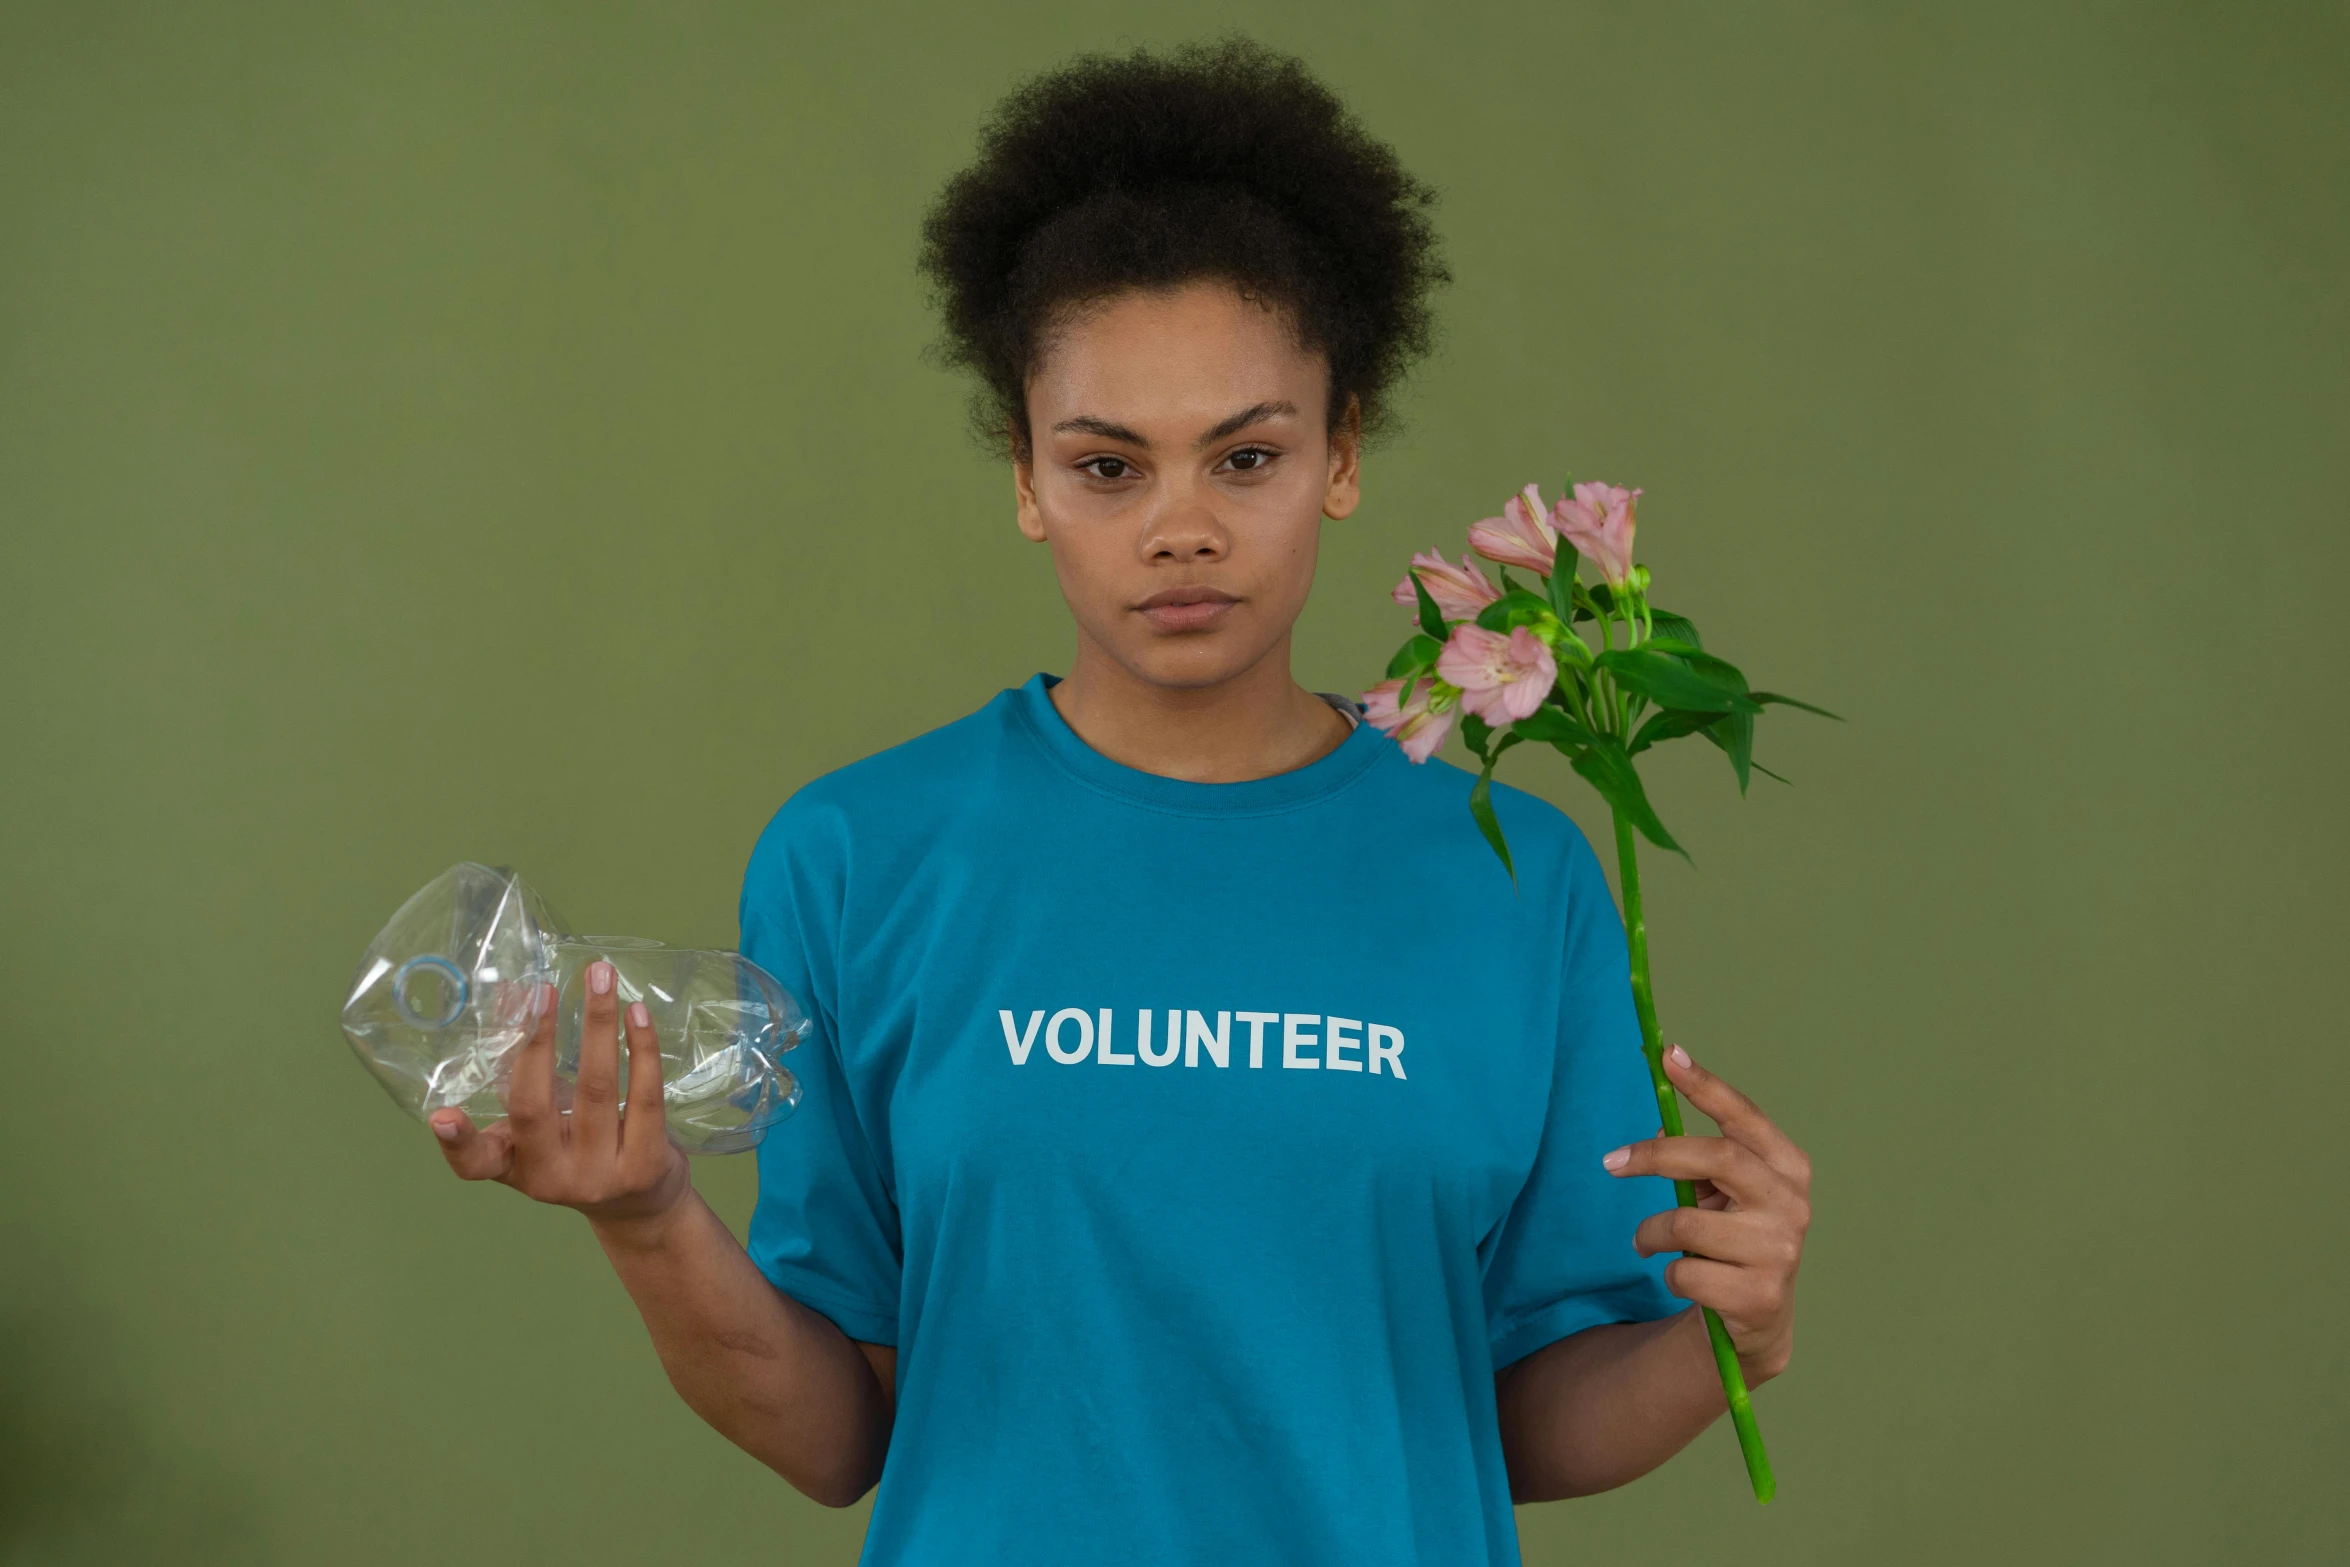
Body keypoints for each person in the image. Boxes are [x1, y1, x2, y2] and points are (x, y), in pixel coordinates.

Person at [426, 38, 1812, 1567]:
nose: (1180, 529)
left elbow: (1524, 1421)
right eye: (1106, 466)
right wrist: (647, 1217)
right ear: (1023, 476)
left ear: (1340, 456)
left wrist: (1726, 1336)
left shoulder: (1516, 870)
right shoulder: (855, 857)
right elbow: (839, 1435)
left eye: (1247, 455)